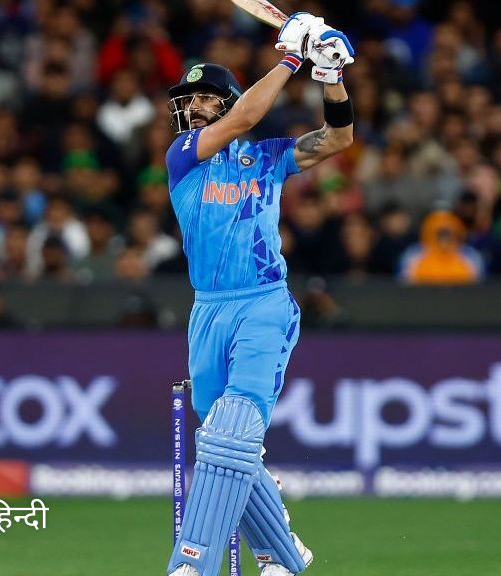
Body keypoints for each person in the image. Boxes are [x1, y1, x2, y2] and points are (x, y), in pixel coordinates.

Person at [163, 12, 355, 576]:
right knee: (224, 446)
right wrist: (292, 57)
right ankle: (284, 556)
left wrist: (331, 76)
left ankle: (191, 563)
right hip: (208, 310)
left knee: (231, 432)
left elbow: (339, 138)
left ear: (223, 101)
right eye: (189, 100)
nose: (193, 107)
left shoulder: (267, 157)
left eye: (204, 98)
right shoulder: (183, 156)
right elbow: (247, 114)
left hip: (263, 303)